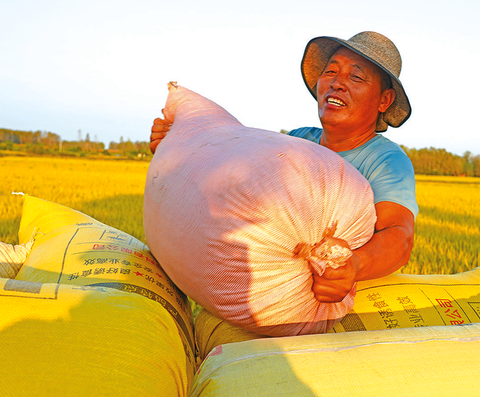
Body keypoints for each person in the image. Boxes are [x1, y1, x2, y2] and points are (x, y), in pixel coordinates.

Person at [150, 31, 418, 304]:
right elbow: (236, 181)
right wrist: (178, 143)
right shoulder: (298, 140)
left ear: (384, 101)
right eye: (331, 72)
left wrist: (353, 266)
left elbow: (399, 235)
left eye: (356, 77)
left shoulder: (387, 161)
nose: (337, 83)